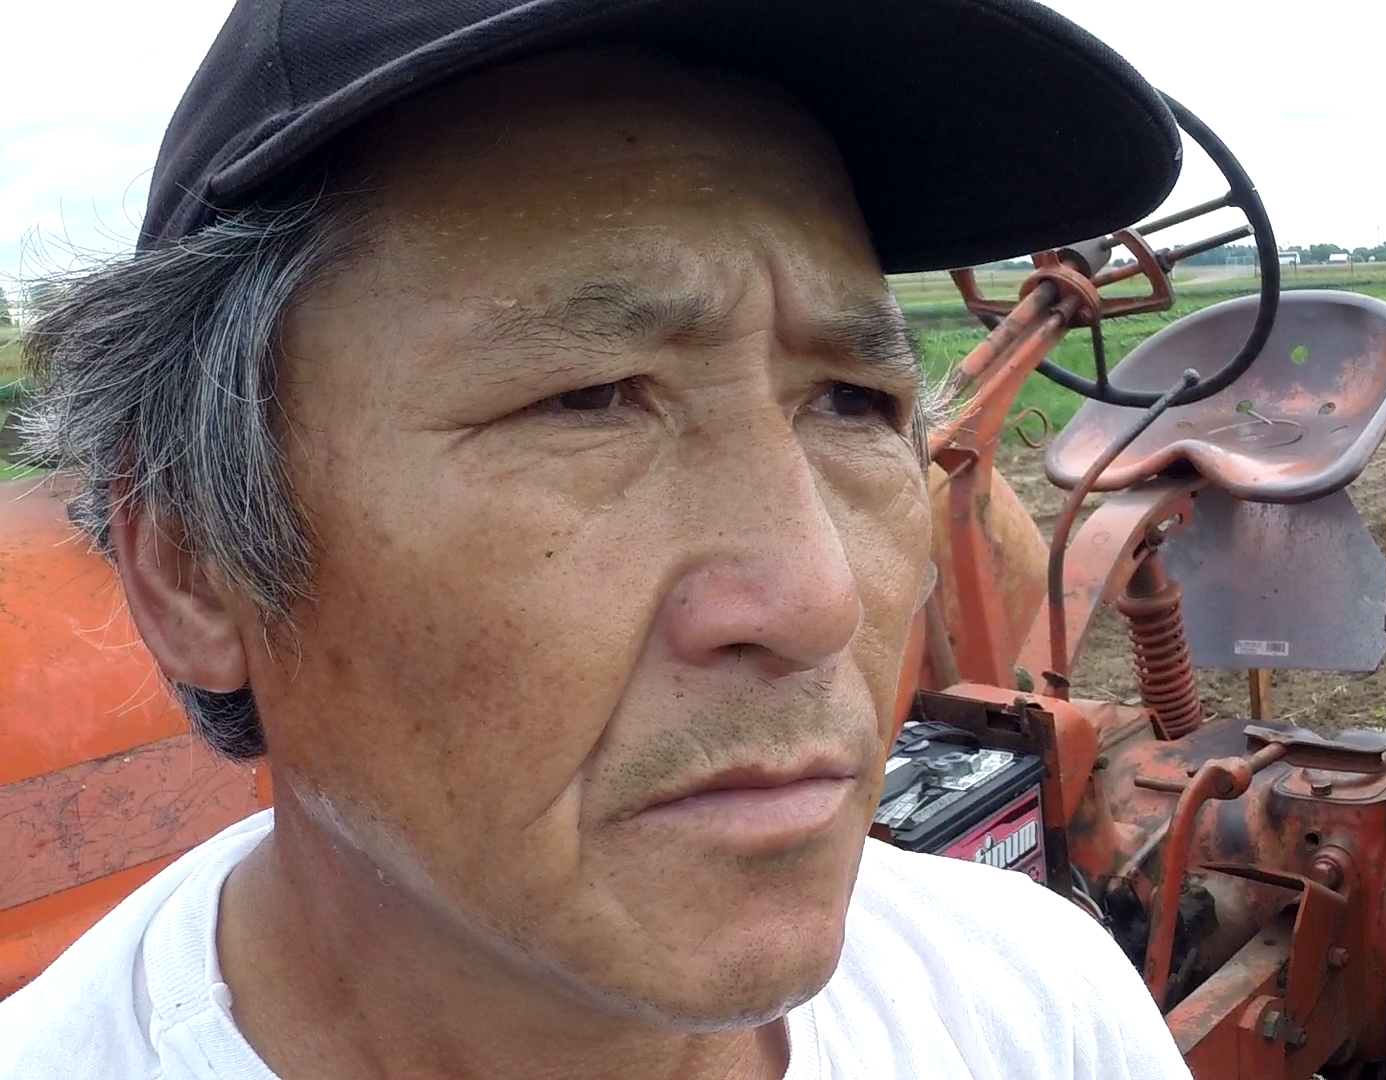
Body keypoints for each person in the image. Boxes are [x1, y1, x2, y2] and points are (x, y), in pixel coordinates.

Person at [0, 1, 1195, 1077]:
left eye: (853, 401)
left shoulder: (1035, 1009)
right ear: (195, 567)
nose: (818, 598)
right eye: (587, 401)